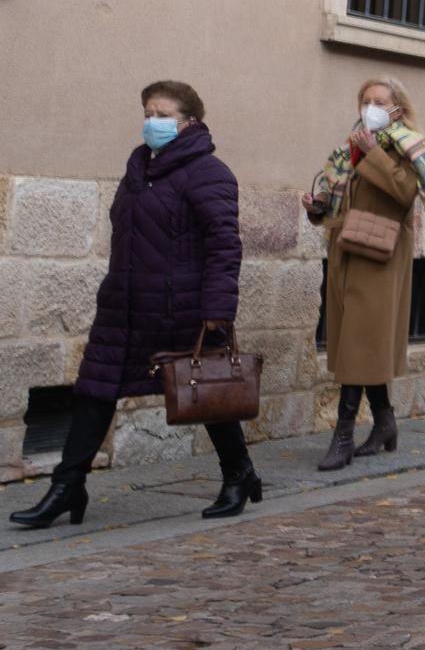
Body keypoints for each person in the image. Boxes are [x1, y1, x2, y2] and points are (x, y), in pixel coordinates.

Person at [11, 82, 253, 529]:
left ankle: (239, 475)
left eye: (162, 114)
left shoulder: (209, 173)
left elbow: (224, 246)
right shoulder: (140, 168)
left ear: (190, 122)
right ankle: (68, 488)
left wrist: (218, 309)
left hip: (178, 308)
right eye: (147, 112)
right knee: (93, 392)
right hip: (123, 306)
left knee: (207, 393)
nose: (151, 122)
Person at [304, 77, 425, 472]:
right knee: (359, 345)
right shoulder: (352, 145)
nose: (369, 106)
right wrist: (316, 207)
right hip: (347, 249)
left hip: (380, 254)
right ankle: (385, 423)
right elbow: (340, 194)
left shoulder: (407, 145)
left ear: (397, 107)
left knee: (358, 344)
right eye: (364, 100)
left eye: (378, 101)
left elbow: (404, 194)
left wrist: (374, 156)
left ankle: (343, 436)